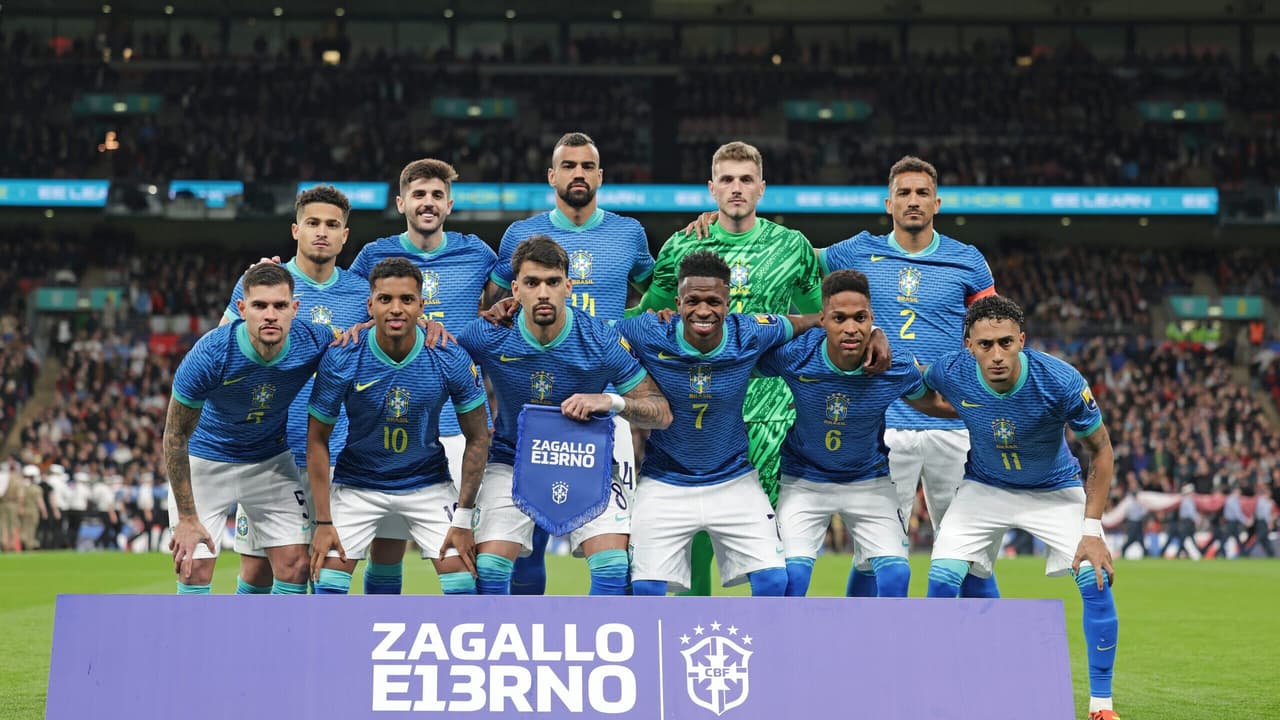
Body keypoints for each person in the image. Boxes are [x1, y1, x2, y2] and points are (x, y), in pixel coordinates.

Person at [649, 141, 888, 597]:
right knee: (697, 522)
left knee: (776, 529)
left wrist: (871, 332)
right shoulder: (681, 246)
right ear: (711, 188)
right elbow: (649, 314)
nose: (736, 188)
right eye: (726, 179)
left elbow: (826, 318)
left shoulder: (791, 246)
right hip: (700, 405)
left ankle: (774, 634)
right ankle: (699, 617)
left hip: (773, 408)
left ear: (762, 187)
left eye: (745, 180)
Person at [920, 296, 1120, 720]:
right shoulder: (952, 370)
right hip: (984, 488)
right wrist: (953, 411)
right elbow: (918, 387)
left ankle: (1101, 706)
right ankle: (940, 695)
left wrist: (1092, 529)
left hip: (1054, 490)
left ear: (1022, 341)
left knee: (1095, 578)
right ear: (968, 345)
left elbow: (1101, 451)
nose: (996, 355)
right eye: (986, 344)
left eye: (1006, 343)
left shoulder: (1060, 380)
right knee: (940, 582)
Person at [487, 132, 656, 595]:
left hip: (602, 401)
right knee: (528, 544)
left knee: (611, 555)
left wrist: (632, 330)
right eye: (568, 166)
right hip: (533, 403)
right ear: (552, 176)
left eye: (586, 166)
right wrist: (501, 308)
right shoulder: (520, 234)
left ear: (600, 176)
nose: (578, 174)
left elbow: (656, 290)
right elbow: (497, 300)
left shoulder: (629, 233)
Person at [822, 156, 998, 598]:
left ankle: (984, 655)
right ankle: (862, 651)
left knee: (969, 554)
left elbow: (993, 330)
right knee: (873, 553)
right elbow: (791, 255)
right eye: (904, 193)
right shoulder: (856, 251)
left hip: (951, 423)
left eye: (922, 193)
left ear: (937, 203)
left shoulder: (968, 260)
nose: (913, 201)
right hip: (882, 424)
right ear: (889, 203)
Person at [456, 235, 671, 596]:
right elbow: (434, 362)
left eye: (553, 282)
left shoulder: (599, 339)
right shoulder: (490, 334)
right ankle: (509, 648)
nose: (543, 292)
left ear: (568, 286)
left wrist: (611, 401)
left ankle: (599, 649)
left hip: (589, 461)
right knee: (491, 568)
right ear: (515, 289)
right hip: (512, 460)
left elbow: (660, 412)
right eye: (531, 283)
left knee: (613, 568)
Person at [618, 251, 815, 596]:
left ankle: (767, 649)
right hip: (665, 481)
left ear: (728, 303)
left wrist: (871, 330)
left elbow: (809, 321)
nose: (704, 310)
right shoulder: (647, 330)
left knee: (773, 581)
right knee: (646, 588)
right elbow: (588, 332)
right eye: (692, 301)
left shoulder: (751, 332)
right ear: (677, 303)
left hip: (734, 479)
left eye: (714, 301)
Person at [343, 158, 497, 595]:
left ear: (449, 204)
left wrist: (499, 309)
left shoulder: (479, 254)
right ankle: (380, 640)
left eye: (435, 195)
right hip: (399, 422)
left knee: (468, 553)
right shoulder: (374, 256)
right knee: (386, 548)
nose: (427, 203)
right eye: (418, 195)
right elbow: (354, 308)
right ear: (401, 203)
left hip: (463, 427)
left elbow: (505, 302)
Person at [755, 269, 956, 597]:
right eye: (839, 318)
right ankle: (784, 647)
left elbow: (931, 403)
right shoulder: (797, 355)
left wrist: (986, 411)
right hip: (804, 481)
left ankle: (874, 647)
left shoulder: (893, 366)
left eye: (860, 318)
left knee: (895, 576)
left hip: (869, 482)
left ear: (872, 320)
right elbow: (740, 364)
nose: (851, 328)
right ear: (823, 319)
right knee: (792, 578)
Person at [306, 258, 490, 595]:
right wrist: (322, 521)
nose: (396, 309)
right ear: (370, 305)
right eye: (385, 299)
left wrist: (463, 519)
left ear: (422, 305)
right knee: (327, 581)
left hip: (427, 483)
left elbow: (478, 437)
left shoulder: (448, 355)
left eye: (406, 299)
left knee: (463, 581)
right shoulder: (343, 356)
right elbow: (317, 439)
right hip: (357, 484)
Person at [221, 185, 369, 594]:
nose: (322, 232)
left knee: (321, 568)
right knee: (256, 570)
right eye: (312, 223)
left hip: (336, 451)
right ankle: (249, 657)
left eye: (332, 224)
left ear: (345, 235)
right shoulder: (263, 283)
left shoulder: (361, 293)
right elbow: (220, 347)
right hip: (271, 452)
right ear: (295, 230)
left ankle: (306, 656)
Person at [165, 263, 334, 595]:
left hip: (269, 461)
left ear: (295, 309)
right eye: (259, 306)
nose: (270, 315)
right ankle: (193, 647)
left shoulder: (315, 342)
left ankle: (272, 646)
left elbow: (361, 347)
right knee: (194, 569)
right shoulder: (210, 355)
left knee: (296, 567)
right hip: (206, 462)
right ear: (241, 309)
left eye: (280, 306)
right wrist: (186, 517)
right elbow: (174, 436)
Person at [1247, 484, 1275, 557]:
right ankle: (1246, 551)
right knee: (1258, 538)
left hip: (1261, 522)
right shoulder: (1264, 501)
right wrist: (1269, 523)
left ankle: (1271, 554)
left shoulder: (1265, 501)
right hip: (1262, 522)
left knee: (1265, 540)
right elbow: (1265, 514)